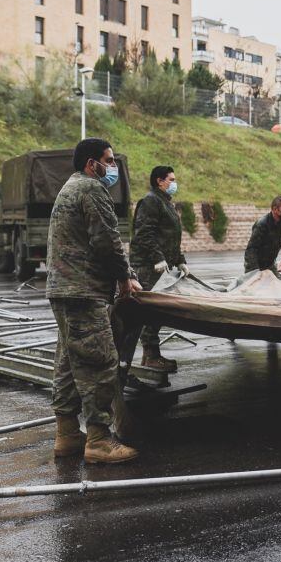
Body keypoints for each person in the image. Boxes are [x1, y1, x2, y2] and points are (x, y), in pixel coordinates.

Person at [47, 137, 141, 463]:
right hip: (83, 291)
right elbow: (107, 240)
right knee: (100, 362)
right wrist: (125, 278)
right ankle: (99, 441)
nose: (112, 167)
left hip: (63, 290)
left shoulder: (69, 188)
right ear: (92, 163)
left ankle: (68, 434)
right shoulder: (91, 189)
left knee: (69, 363)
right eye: (109, 161)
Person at [129, 165, 187, 372]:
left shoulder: (166, 203)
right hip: (148, 266)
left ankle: (151, 355)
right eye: (171, 179)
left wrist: (180, 260)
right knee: (152, 311)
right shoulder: (151, 201)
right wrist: (157, 258)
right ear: (159, 181)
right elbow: (144, 233)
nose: (174, 183)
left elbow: (172, 236)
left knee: (157, 311)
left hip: (162, 265)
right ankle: (150, 356)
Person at [244, 196, 281, 274]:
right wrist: (256, 272)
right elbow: (251, 250)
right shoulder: (261, 224)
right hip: (254, 265)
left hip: (270, 264)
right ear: (274, 209)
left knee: (277, 284)